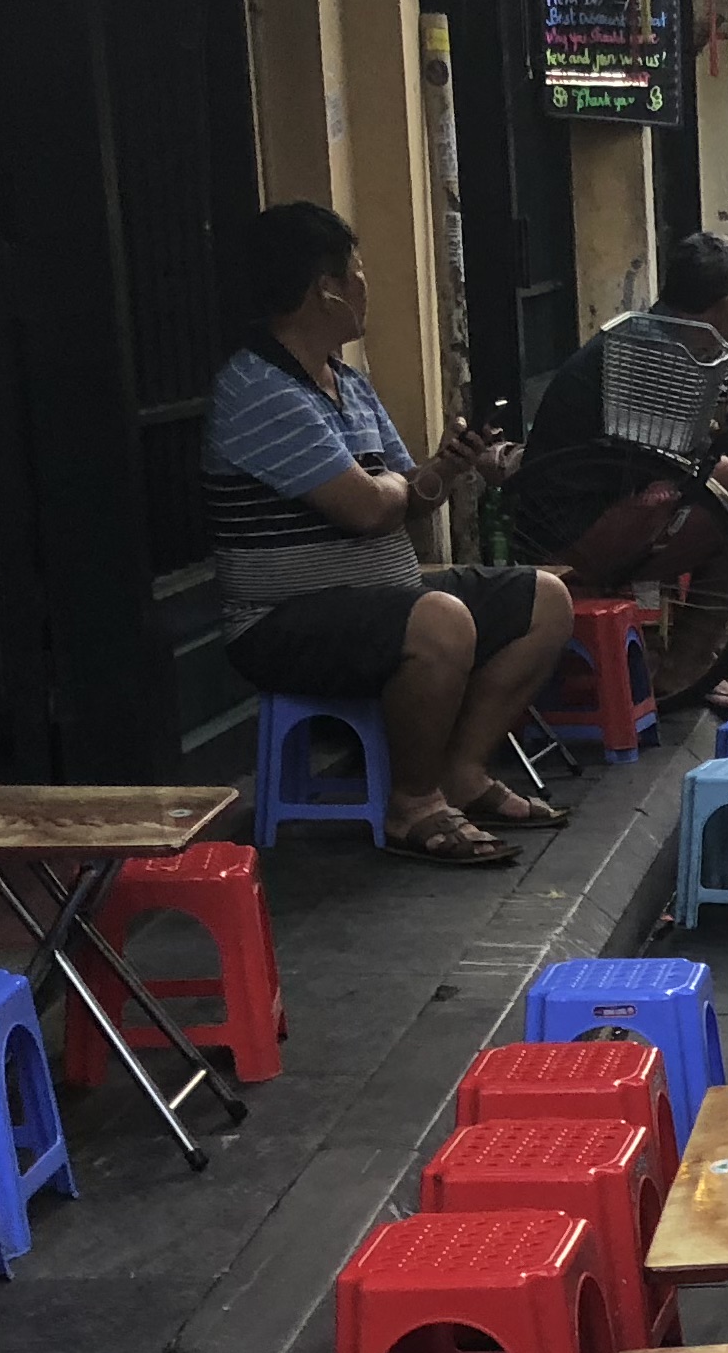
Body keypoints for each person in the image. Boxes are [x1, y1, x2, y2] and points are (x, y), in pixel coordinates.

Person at [205, 201, 565, 868]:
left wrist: (448, 467)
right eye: (359, 272)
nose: (366, 285)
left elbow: (408, 496)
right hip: (281, 621)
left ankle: (462, 772)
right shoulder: (259, 391)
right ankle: (412, 804)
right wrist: (399, 489)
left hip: (383, 597)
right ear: (328, 290)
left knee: (545, 598)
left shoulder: (348, 384)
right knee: (439, 622)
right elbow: (369, 509)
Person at [503, 227, 728, 718]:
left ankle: (719, 642)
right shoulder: (651, 352)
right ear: (727, 303)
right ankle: (685, 670)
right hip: (576, 532)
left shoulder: (673, 338)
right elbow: (666, 468)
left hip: (618, 502)